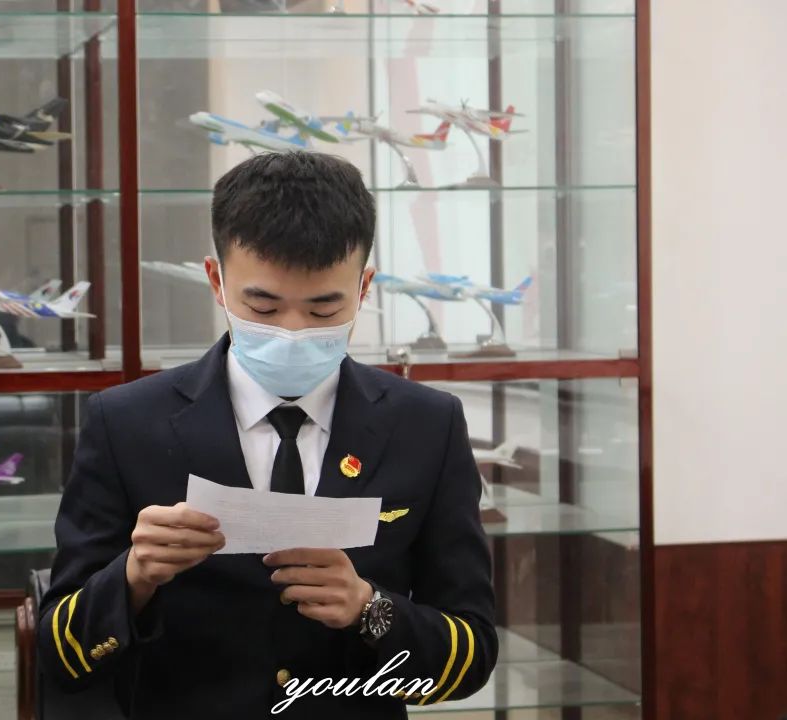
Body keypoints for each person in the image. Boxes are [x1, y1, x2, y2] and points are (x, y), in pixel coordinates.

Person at [37, 153, 497, 719]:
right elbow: (58, 656)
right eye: (263, 306)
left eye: (324, 309)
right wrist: (134, 576)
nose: (292, 332)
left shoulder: (426, 425)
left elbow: (473, 654)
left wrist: (370, 609)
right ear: (216, 281)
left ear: (364, 287)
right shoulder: (127, 423)